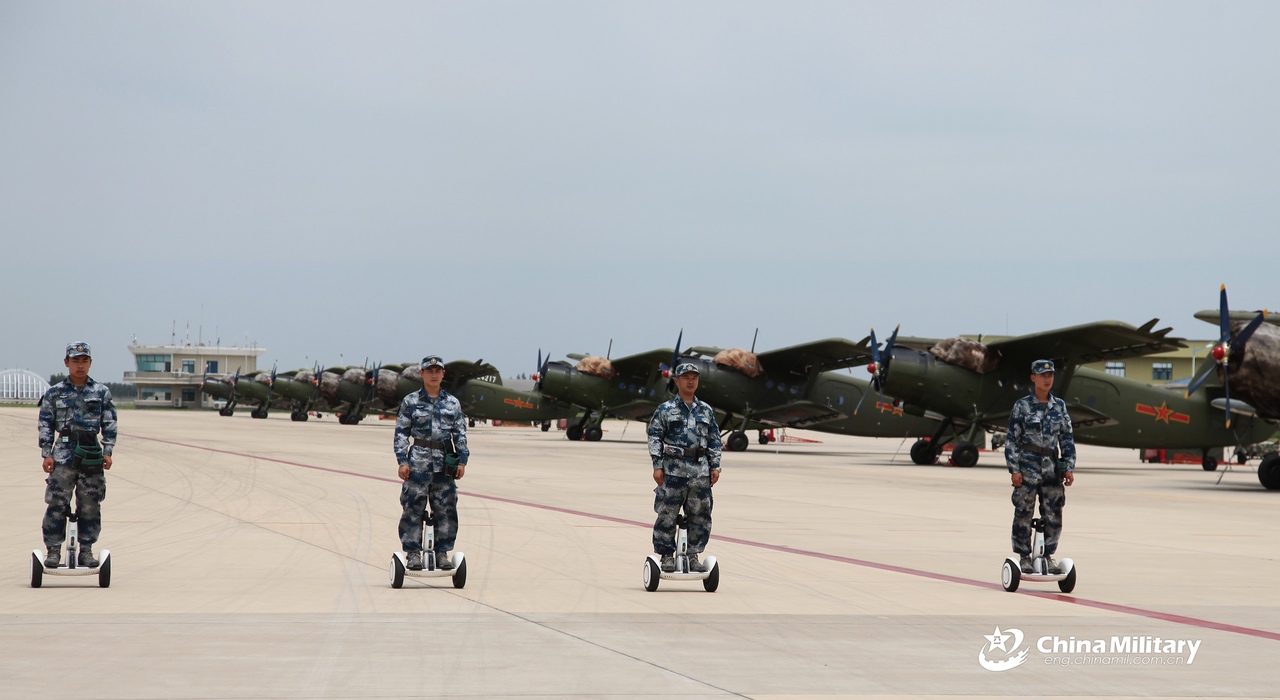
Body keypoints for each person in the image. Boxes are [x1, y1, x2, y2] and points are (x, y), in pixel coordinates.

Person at [37, 342, 117, 568]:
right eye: (75, 361)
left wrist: (108, 451)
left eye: (84, 361)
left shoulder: (101, 392)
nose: (80, 366)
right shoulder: (55, 393)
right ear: (66, 363)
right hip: (62, 458)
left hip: (91, 458)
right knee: (56, 504)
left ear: (90, 363)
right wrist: (46, 453)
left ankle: (86, 551)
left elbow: (109, 423)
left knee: (90, 504)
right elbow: (45, 424)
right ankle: (53, 551)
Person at [393, 355, 468, 570]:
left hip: (445, 464)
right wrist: (402, 460)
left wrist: (462, 460)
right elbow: (401, 433)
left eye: (438, 371)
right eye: (429, 371)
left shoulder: (452, 403)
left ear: (443, 374)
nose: (434, 375)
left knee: (446, 508)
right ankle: (413, 553)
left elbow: (460, 433)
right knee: (412, 507)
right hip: (417, 463)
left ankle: (442, 552)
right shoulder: (410, 402)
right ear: (422, 374)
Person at [647, 362, 722, 573]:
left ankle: (693, 554)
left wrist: (715, 466)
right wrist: (657, 465)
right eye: (686, 377)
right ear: (676, 380)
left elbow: (714, 439)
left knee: (700, 515)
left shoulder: (706, 410)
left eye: (694, 377)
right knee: (667, 514)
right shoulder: (665, 410)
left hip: (700, 472)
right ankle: (666, 556)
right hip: (673, 471)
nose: (691, 381)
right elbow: (654, 437)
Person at [1005, 359, 1076, 574]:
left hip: (1052, 470)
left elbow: (1066, 438)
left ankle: (1047, 556)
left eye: (1051, 375)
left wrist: (1069, 466)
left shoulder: (1060, 406)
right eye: (1043, 375)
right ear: (1033, 377)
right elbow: (1012, 440)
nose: (1047, 379)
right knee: (1023, 512)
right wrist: (1014, 469)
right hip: (1027, 467)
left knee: (1054, 514)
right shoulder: (1022, 406)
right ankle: (1024, 556)